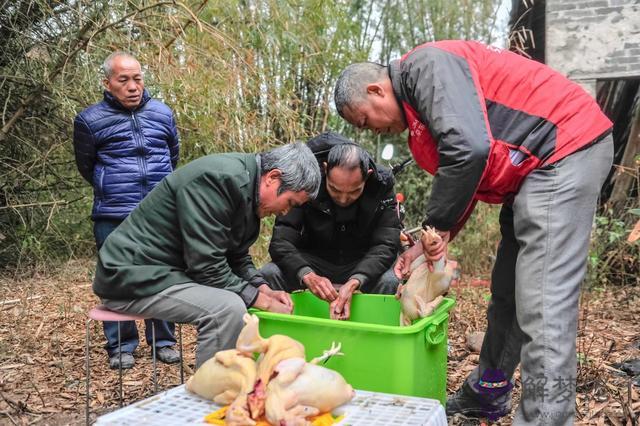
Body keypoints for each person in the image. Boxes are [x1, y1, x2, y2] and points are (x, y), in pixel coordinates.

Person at [334, 40, 613, 425]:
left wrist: (438, 225)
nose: (377, 131)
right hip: (532, 170)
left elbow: (469, 149)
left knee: (543, 302)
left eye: (367, 120)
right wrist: (422, 245)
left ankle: (548, 418)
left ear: (376, 90)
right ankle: (490, 389)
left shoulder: (425, 67)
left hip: (562, 150)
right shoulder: (421, 108)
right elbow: (468, 172)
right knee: (509, 294)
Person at [93, 143, 321, 368]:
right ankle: (211, 395)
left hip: (164, 272)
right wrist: (262, 302)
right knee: (227, 309)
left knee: (240, 300)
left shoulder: (247, 189)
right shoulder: (218, 180)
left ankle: (231, 382)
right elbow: (206, 266)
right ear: (273, 177)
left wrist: (263, 289)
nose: (285, 212)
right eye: (290, 202)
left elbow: (237, 256)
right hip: (130, 276)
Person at [73, 52, 181, 370]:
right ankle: (121, 346)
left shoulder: (162, 113)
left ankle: (163, 342)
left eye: (137, 78)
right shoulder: (89, 120)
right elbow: (87, 165)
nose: (133, 86)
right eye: (123, 80)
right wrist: (114, 187)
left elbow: (172, 155)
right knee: (117, 279)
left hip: (159, 211)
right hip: (113, 212)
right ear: (108, 83)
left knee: (162, 275)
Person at [261, 132, 401, 320]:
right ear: (325, 170)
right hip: (312, 261)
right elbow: (281, 242)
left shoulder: (382, 187)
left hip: (362, 263)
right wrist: (307, 275)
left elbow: (386, 246)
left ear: (367, 177)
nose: (343, 199)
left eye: (353, 192)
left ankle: (379, 338)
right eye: (334, 189)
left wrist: (356, 281)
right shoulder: (305, 181)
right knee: (269, 274)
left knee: (391, 281)